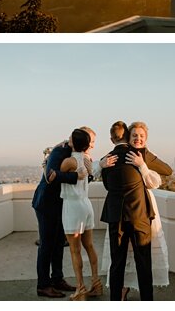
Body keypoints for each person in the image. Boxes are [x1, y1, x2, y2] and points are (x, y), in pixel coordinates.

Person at [98, 121, 172, 301]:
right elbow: (167, 170)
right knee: (143, 262)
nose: (138, 139)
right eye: (135, 136)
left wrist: (101, 164)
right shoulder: (143, 154)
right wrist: (144, 160)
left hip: (116, 215)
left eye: (142, 136)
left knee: (117, 263)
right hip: (139, 216)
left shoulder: (108, 158)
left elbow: (107, 184)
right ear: (128, 137)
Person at [32, 133, 81, 298]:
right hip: (46, 204)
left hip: (59, 205)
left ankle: (57, 279)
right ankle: (43, 285)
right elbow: (50, 176)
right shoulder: (59, 152)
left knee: (58, 243)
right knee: (46, 245)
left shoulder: (75, 154)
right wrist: (75, 176)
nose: (91, 145)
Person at [59, 127, 102, 300]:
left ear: (74, 143)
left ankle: (80, 289)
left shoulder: (69, 162)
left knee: (75, 251)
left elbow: (56, 176)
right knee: (89, 246)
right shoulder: (88, 160)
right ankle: (96, 283)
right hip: (86, 205)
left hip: (72, 207)